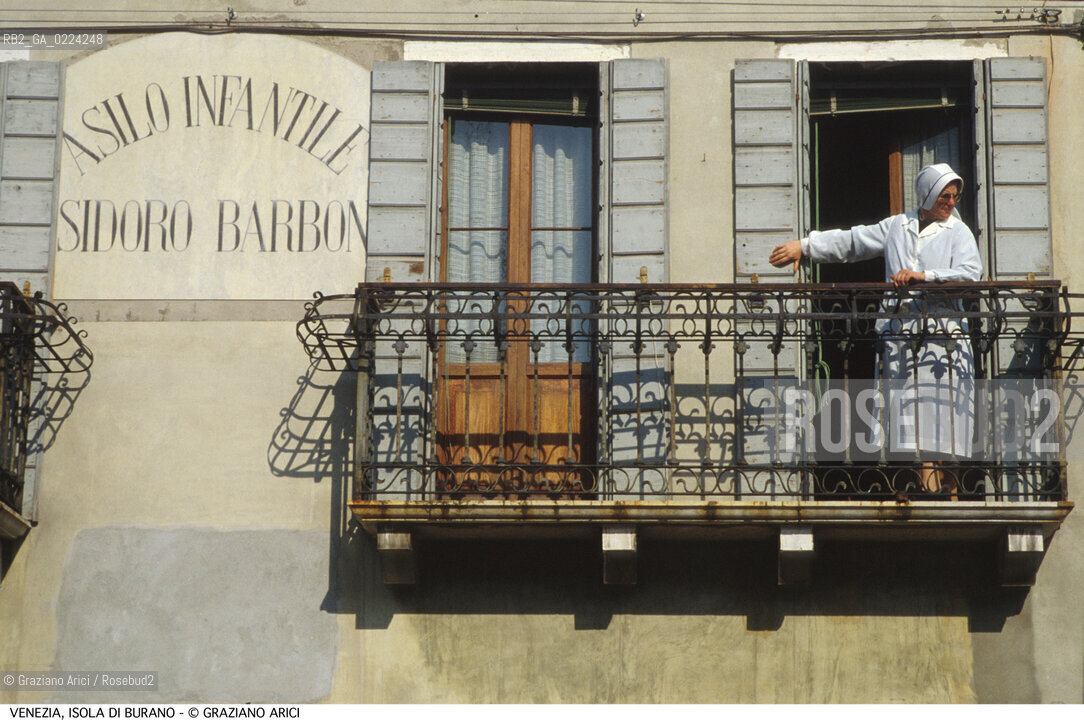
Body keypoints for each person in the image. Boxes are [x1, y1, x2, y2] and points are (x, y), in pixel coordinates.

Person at [768, 163, 982, 497]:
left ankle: (952, 498)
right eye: (945, 195)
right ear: (927, 192)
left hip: (944, 344)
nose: (951, 202)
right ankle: (929, 498)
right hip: (903, 338)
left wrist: (923, 277)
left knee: (947, 423)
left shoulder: (959, 232)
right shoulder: (898, 226)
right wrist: (805, 246)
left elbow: (971, 274)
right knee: (915, 424)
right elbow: (853, 241)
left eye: (955, 196)